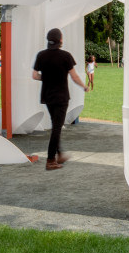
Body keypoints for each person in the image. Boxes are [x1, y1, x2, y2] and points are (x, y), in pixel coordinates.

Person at [32, 28, 88, 171]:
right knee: (57, 128)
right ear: (60, 40)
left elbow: (35, 75)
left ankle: (60, 154)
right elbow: (74, 77)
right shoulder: (65, 56)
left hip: (47, 96)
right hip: (61, 97)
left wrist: (47, 77)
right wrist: (84, 87)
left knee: (55, 125)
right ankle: (51, 160)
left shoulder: (41, 55)